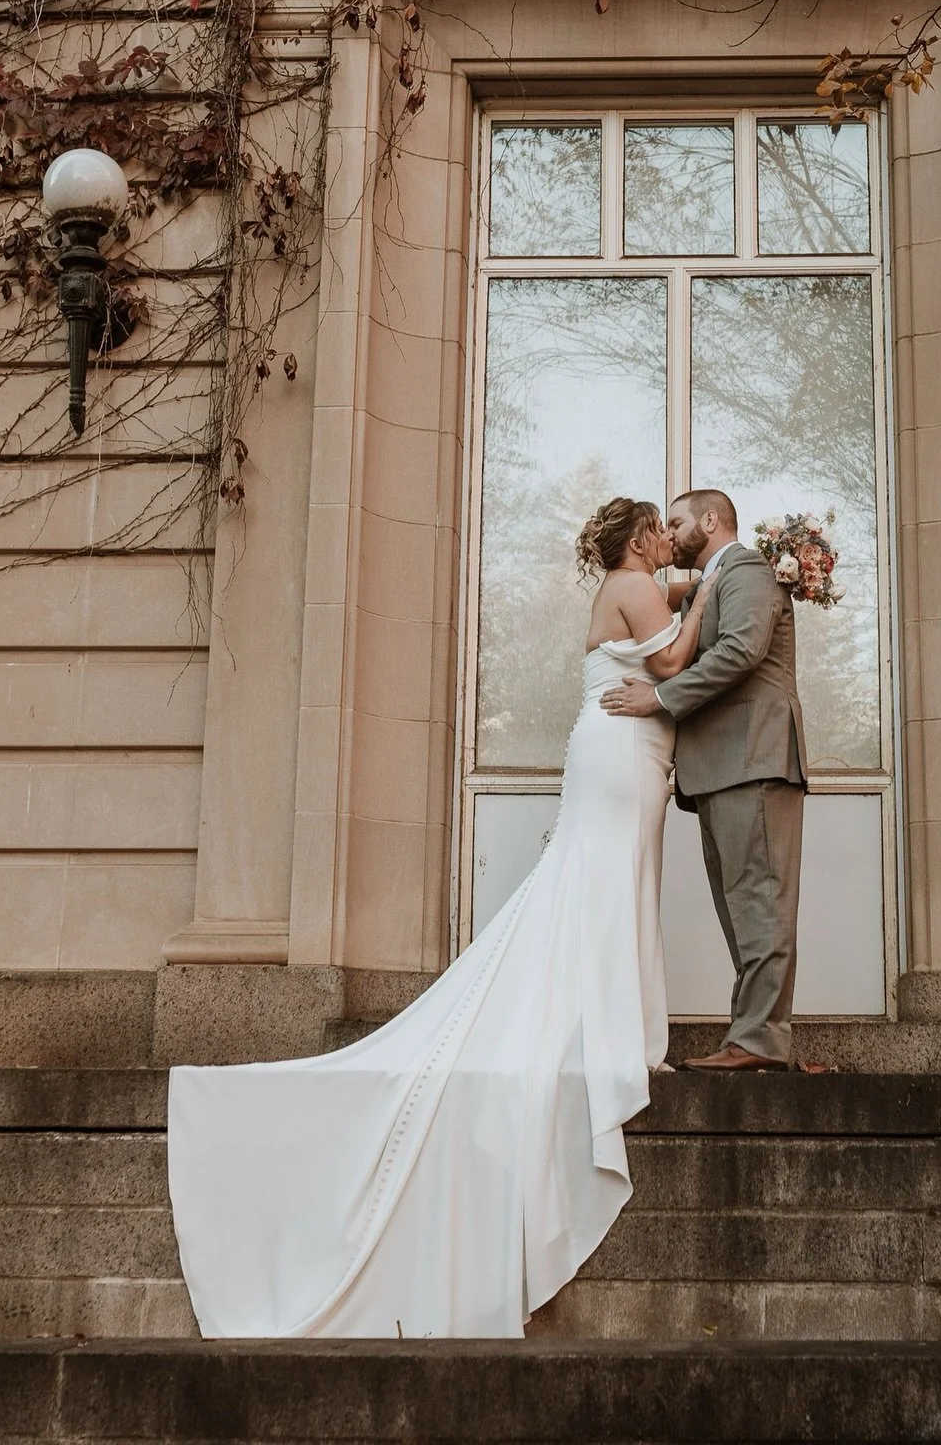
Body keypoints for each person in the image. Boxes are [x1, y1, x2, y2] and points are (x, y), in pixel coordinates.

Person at [167, 498, 716, 1340]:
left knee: (608, 891)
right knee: (604, 890)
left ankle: (618, 1036)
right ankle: (614, 1043)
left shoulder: (633, 582)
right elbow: (676, 658)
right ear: (641, 538)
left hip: (626, 756)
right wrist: (719, 580)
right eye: (658, 531)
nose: (664, 545)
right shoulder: (635, 584)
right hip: (620, 756)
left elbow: (666, 636)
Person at [601, 488, 807, 1071]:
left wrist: (660, 697)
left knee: (762, 902)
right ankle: (749, 1036)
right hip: (724, 767)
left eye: (676, 523)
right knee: (740, 906)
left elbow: (741, 650)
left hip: (755, 759)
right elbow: (652, 601)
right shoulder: (711, 579)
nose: (670, 534)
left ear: (710, 521)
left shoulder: (746, 568)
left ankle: (761, 1042)